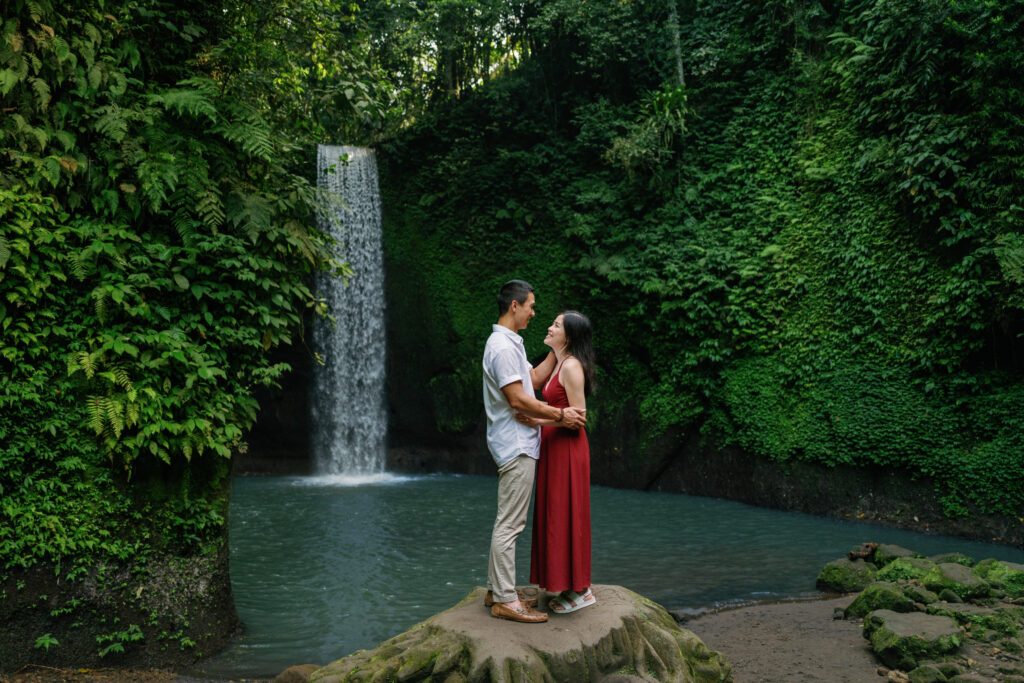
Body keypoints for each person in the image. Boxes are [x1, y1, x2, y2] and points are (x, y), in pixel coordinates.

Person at [482, 280, 587, 623]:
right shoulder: (501, 347)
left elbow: (532, 379)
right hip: (515, 443)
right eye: (530, 305)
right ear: (515, 306)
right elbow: (518, 398)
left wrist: (559, 348)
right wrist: (559, 415)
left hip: (522, 440)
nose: (534, 313)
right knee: (511, 523)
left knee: (510, 521)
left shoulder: (510, 343)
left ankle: (496, 590)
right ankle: (504, 599)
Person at [518, 310, 596, 613]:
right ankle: (567, 585)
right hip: (554, 449)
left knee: (569, 515)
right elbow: (533, 380)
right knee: (555, 515)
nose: (549, 327)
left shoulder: (572, 367)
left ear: (570, 336)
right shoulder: (558, 363)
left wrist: (537, 419)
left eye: (557, 326)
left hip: (568, 450)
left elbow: (579, 418)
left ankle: (582, 590)